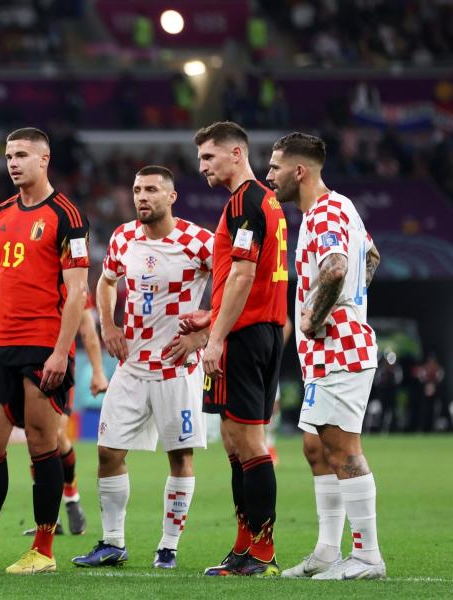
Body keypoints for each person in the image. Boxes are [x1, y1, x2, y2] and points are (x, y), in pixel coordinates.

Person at [0, 127, 90, 575]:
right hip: (3, 344)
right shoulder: (1, 214)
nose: (12, 162)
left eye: (22, 155)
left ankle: (43, 551)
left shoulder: (67, 215)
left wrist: (61, 353)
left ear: (44, 159)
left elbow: (79, 290)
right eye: (9, 155)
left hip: (44, 345)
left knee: (41, 443)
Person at [72, 166, 213, 570]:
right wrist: (109, 324)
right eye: (137, 190)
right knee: (107, 453)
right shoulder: (123, 236)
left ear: (172, 197)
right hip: (131, 366)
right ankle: (113, 543)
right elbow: (104, 282)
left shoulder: (198, 241)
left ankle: (168, 547)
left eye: (151, 189)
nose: (142, 197)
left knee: (180, 457)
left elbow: (238, 282)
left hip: (177, 367)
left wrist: (202, 336)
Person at [267, 132, 386, 579]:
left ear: (299, 171)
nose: (269, 175)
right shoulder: (341, 208)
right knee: (316, 448)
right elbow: (370, 255)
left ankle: (367, 556)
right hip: (327, 354)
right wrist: (355, 299)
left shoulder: (324, 214)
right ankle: (324, 551)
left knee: (342, 449)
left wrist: (316, 319)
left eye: (275, 167)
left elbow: (336, 268)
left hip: (339, 349)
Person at [183, 121, 288, 577]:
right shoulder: (260, 200)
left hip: (245, 337)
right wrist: (211, 317)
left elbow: (244, 276)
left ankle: (262, 552)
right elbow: (249, 276)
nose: (202, 165)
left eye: (209, 157)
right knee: (233, 440)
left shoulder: (247, 201)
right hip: (250, 328)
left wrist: (218, 336)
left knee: (247, 441)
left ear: (237, 153)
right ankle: (244, 546)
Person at [21, 294, 108, 538]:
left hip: (58, 367)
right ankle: (51, 518)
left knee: (56, 435)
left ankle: (71, 496)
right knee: (35, 440)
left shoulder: (73, 281)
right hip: (23, 362)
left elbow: (88, 331)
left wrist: (98, 372)